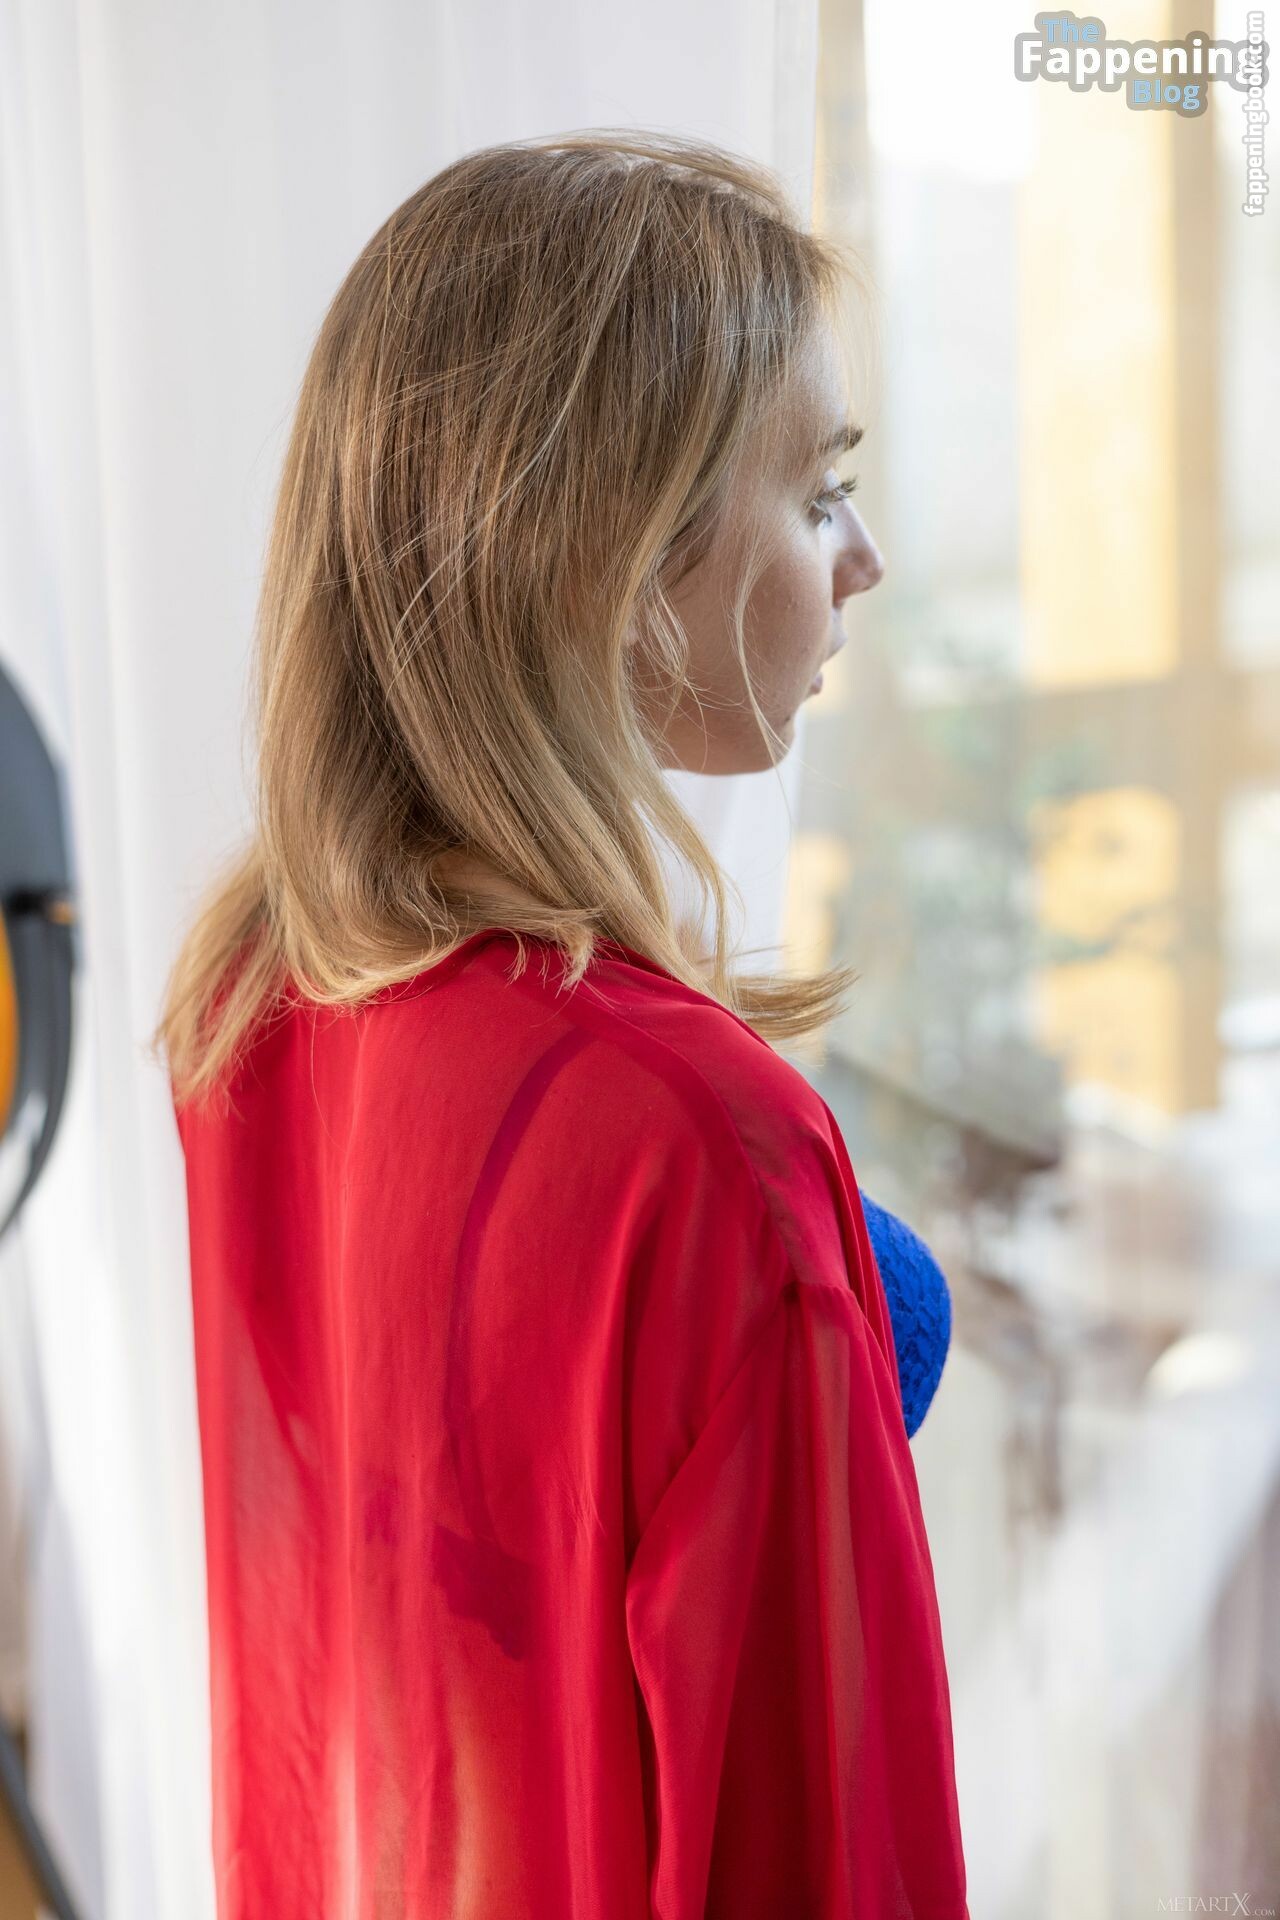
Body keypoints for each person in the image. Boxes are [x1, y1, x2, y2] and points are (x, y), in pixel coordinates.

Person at [153, 129, 969, 1919]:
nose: (866, 558)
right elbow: (823, 1855)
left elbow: (336, 1681)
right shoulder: (693, 1130)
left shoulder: (257, 999)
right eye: (819, 491)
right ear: (618, 556)